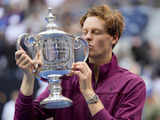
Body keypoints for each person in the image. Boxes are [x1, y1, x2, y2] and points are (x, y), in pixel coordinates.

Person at [14, 4, 146, 120]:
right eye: (85, 32)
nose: (87, 37)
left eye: (96, 32)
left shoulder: (132, 85)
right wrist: (28, 77)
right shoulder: (67, 78)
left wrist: (88, 92)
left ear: (114, 38)